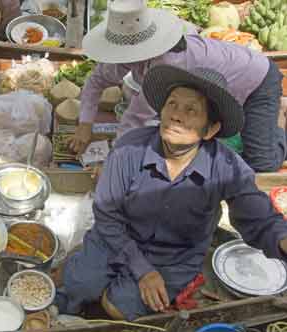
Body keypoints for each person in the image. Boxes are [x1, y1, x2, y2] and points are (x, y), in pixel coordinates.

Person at [56, 64, 287, 321]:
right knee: (80, 287)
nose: (176, 116)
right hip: (117, 240)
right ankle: (81, 274)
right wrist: (142, 270)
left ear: (210, 130)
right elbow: (107, 216)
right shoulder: (128, 150)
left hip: (175, 257)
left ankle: (105, 290)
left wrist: (281, 239)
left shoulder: (227, 167)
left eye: (191, 110)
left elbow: (259, 217)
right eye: (172, 105)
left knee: (119, 307)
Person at [69, 0, 285, 172]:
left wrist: (114, 163)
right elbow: (96, 81)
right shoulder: (127, 51)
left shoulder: (167, 63)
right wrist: (85, 125)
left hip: (258, 78)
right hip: (220, 84)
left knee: (261, 162)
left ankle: (279, 126)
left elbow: (135, 118)